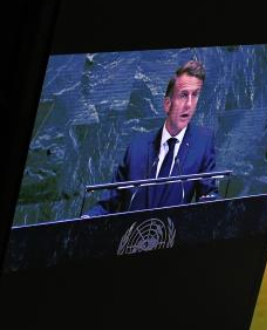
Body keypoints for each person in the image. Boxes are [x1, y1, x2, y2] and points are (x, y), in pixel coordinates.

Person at [86, 60, 219, 216]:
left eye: (195, 95)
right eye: (183, 95)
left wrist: (212, 207)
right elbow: (109, 202)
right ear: (167, 104)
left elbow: (210, 196)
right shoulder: (137, 147)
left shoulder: (202, 143)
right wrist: (86, 219)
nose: (189, 104)